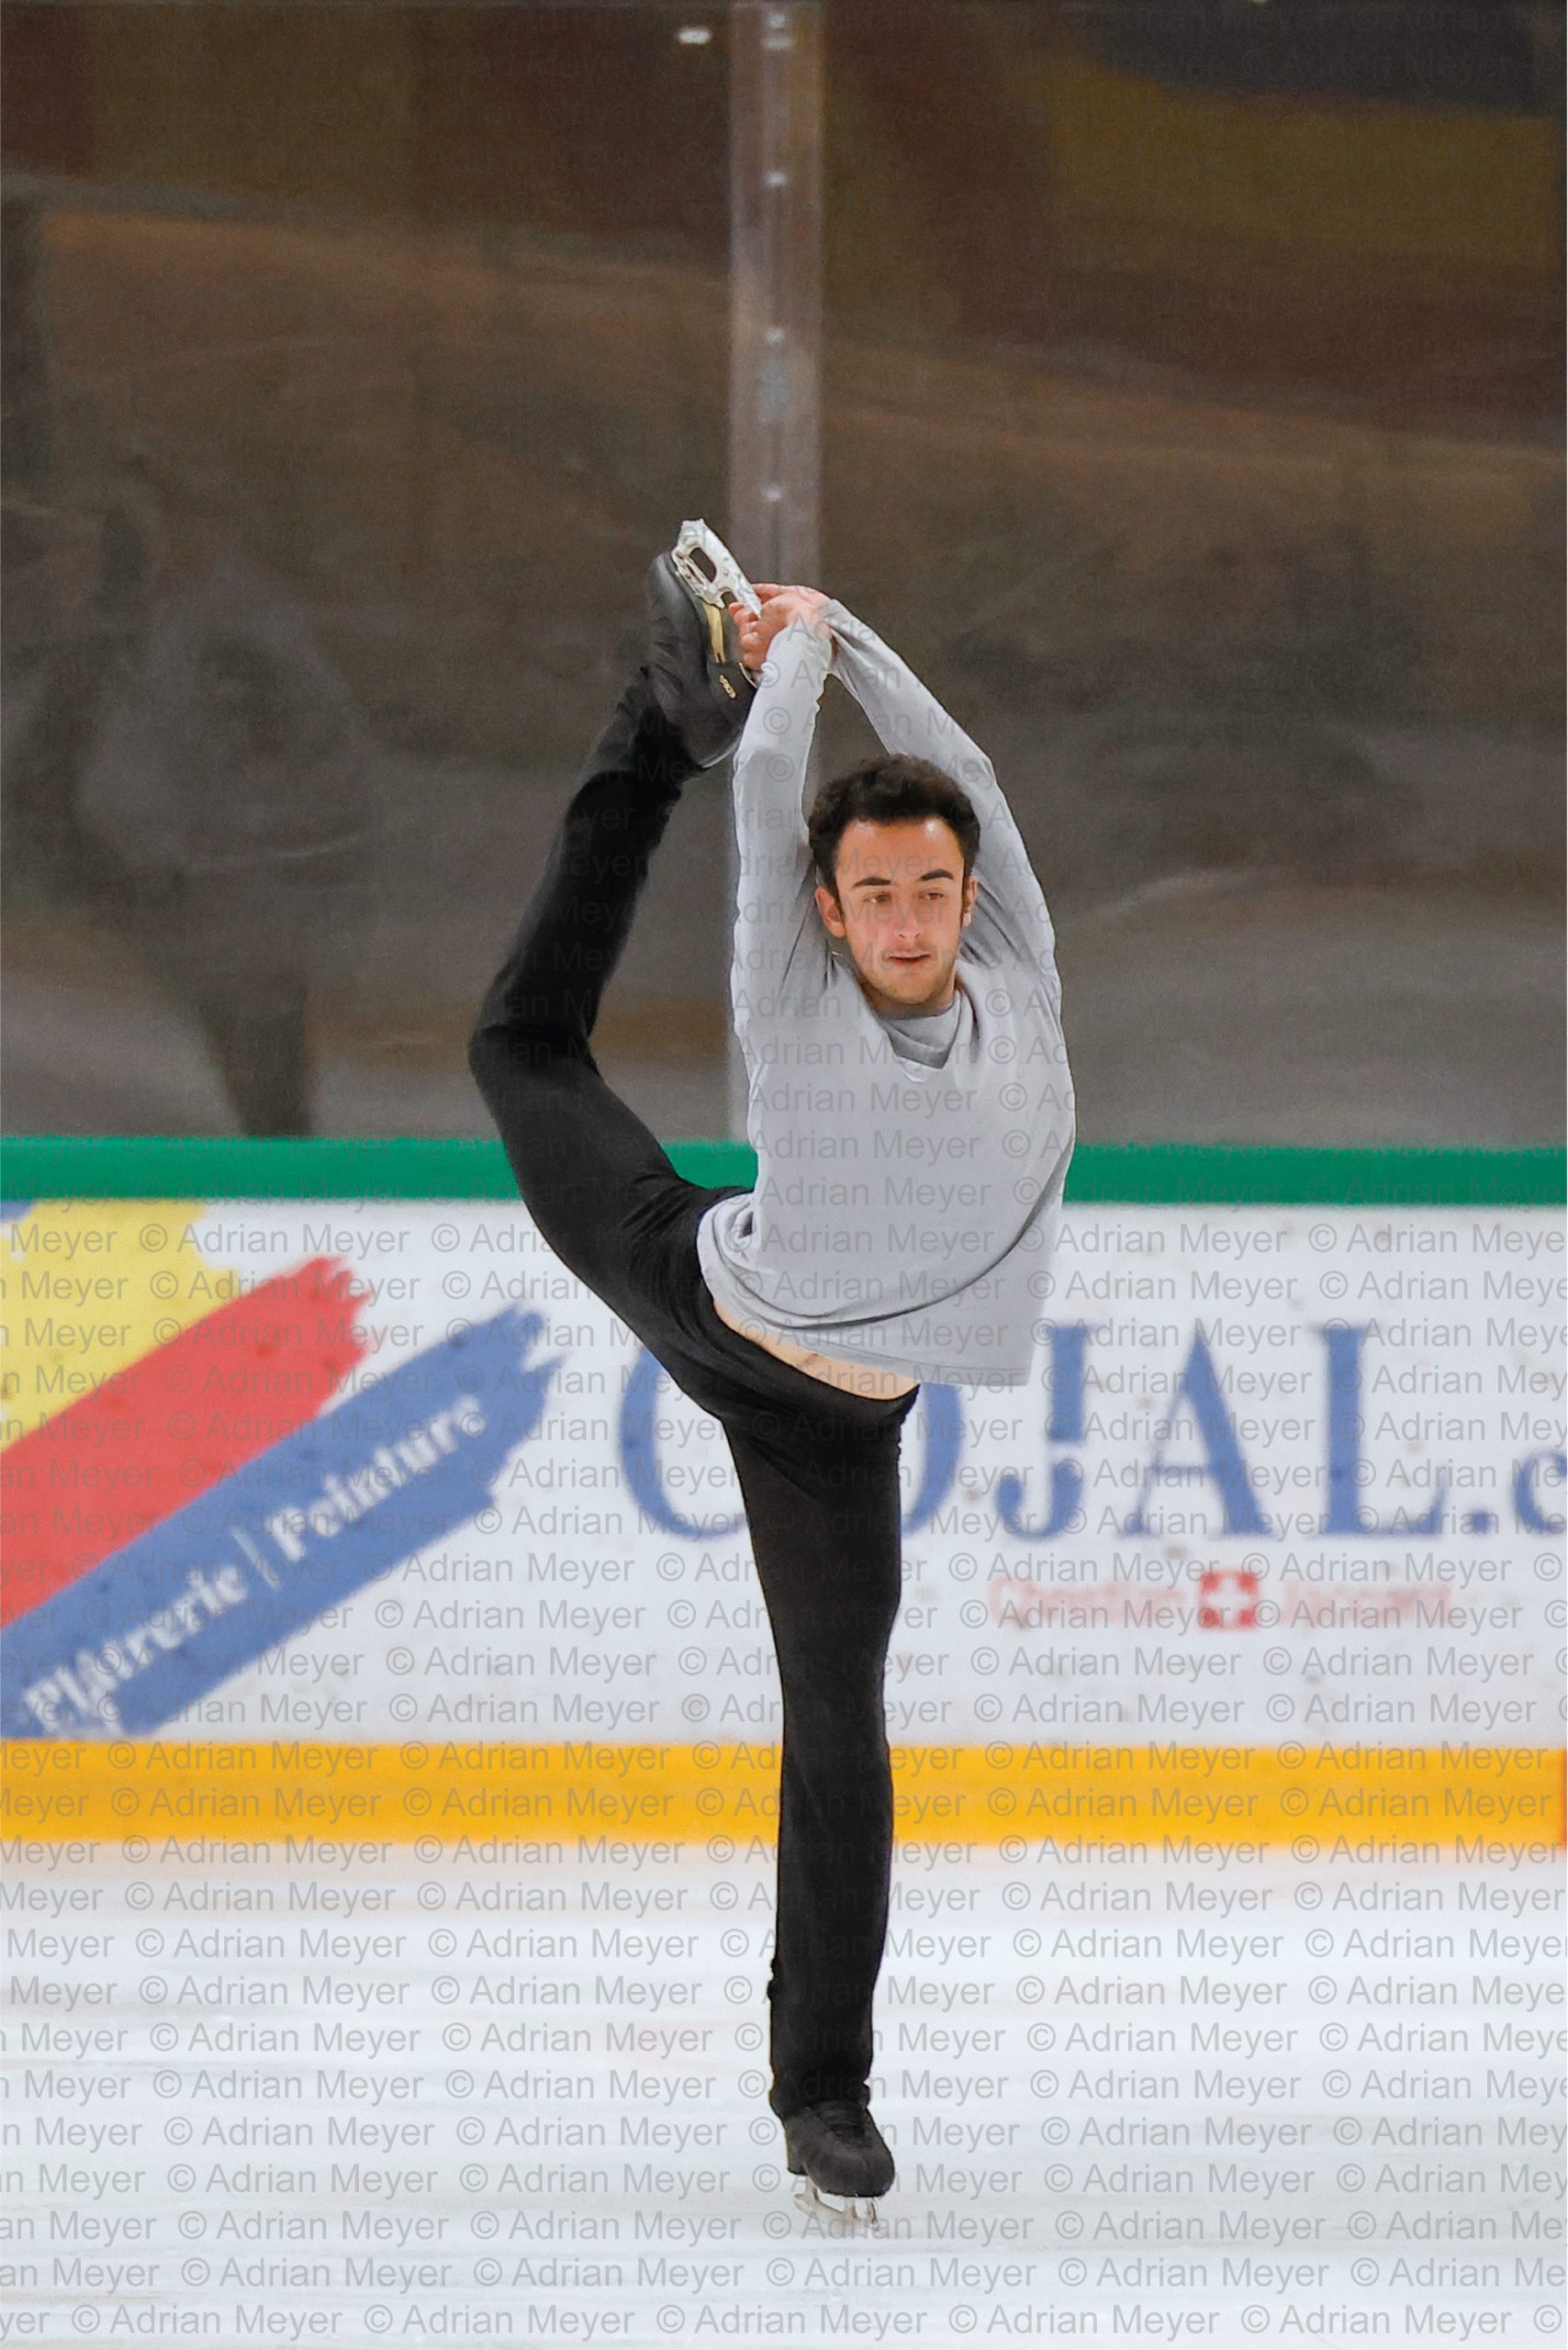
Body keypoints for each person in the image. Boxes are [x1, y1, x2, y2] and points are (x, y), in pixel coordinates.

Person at [468, 550, 1073, 2216]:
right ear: (831, 912)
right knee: (524, 1045)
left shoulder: (1020, 978)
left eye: (928, 892)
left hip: (845, 1430)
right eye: (872, 894)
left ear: (970, 900)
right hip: (704, 1292)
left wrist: (847, 628)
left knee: (839, 1727)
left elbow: (985, 784)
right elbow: (775, 826)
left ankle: (827, 2097)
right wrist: (780, 676)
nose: (904, 919)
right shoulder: (794, 994)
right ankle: (649, 730)